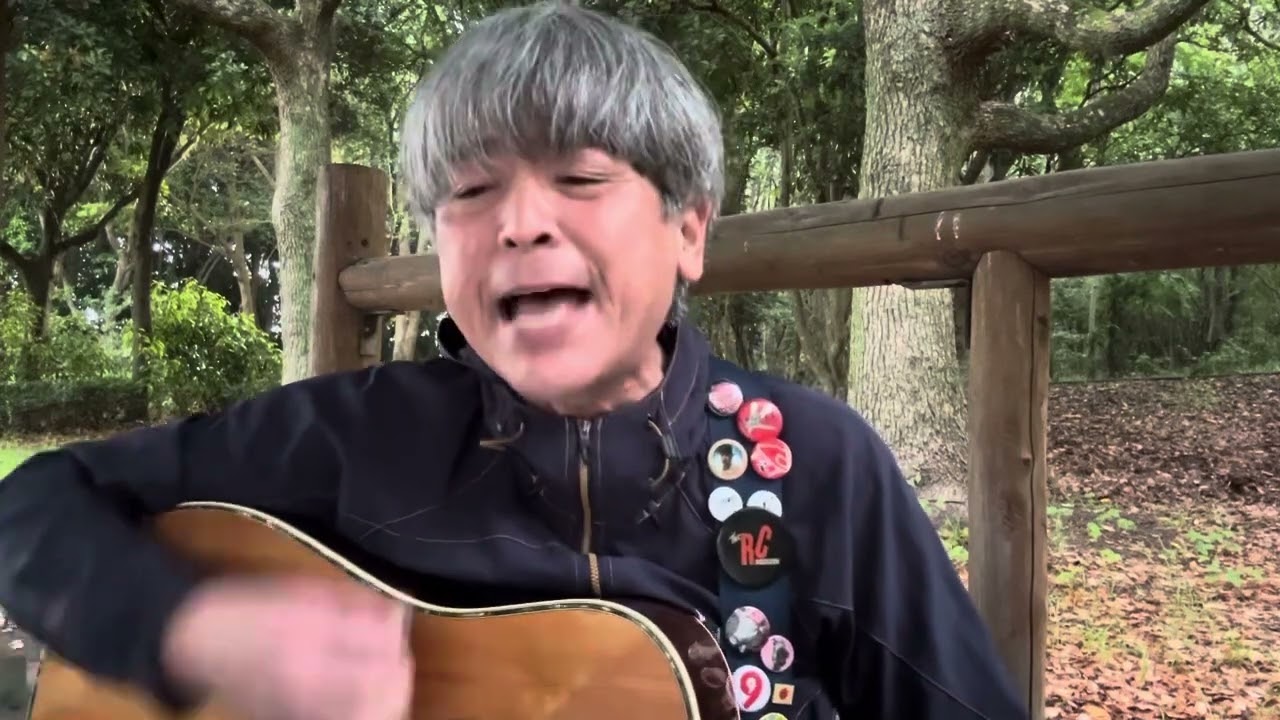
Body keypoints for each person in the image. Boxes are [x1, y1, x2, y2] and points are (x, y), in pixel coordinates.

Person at [0, 4, 1029, 719]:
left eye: (579, 177)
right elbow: (33, 504)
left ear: (688, 231)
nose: (521, 223)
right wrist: (193, 632)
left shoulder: (817, 466)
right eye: (471, 191)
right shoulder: (348, 439)